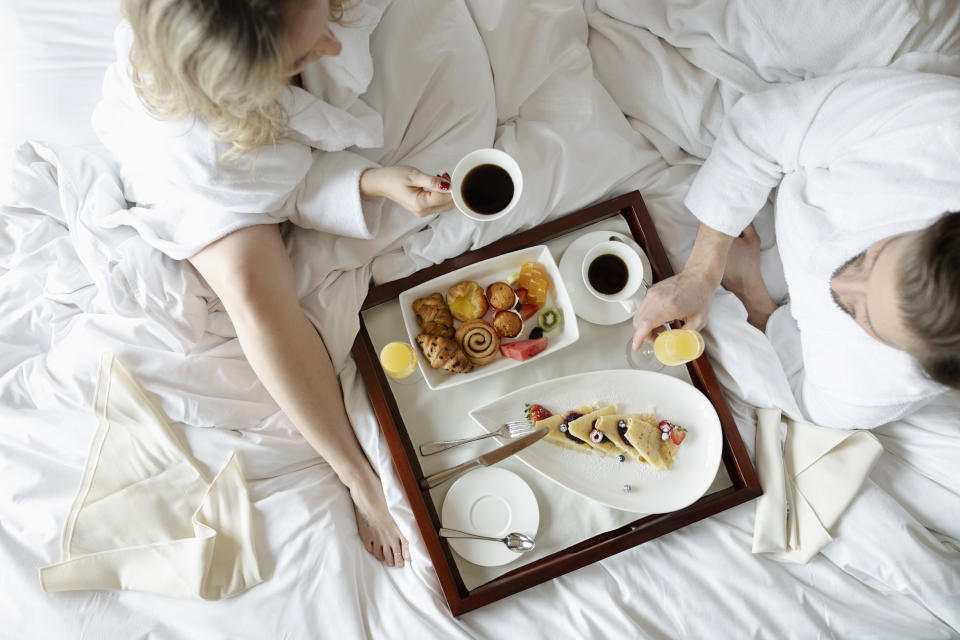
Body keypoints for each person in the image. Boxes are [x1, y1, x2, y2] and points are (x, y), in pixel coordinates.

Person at [93, 0, 493, 567]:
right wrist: (369, 183)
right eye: (305, 54)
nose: (329, 48)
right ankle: (357, 476)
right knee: (255, 297)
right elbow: (285, 186)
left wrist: (374, 177)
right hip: (207, 167)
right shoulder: (203, 147)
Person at [630, 67, 960, 429]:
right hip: (797, 165)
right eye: (869, 257)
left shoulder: (871, 389)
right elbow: (763, 127)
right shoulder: (939, 128)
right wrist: (702, 270)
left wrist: (752, 293)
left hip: (763, 274)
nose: (837, 285)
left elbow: (802, 392)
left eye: (860, 313)